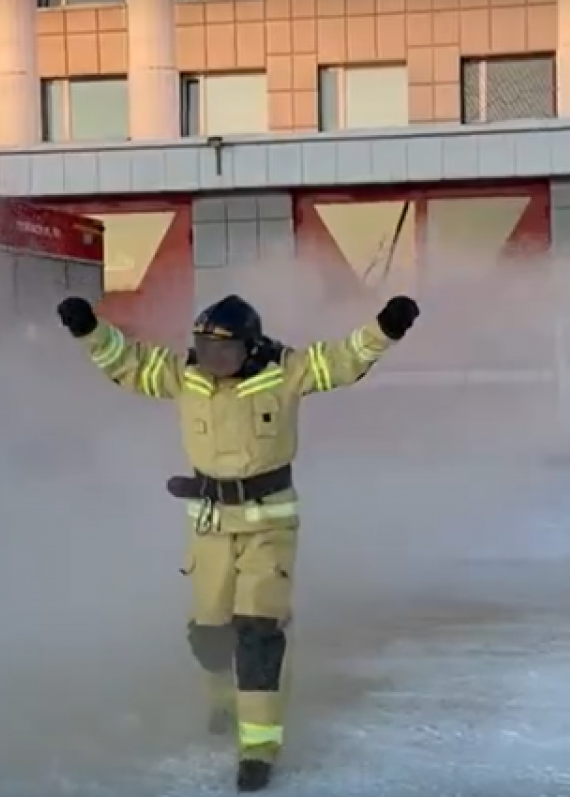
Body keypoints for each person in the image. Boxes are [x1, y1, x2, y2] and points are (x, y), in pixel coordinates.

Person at [56, 292, 420, 791]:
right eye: (205, 351)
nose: (213, 364)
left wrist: (386, 327)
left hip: (270, 524)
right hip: (209, 525)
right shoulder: (185, 376)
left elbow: (342, 359)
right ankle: (222, 698)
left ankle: (258, 747)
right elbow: (130, 363)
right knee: (209, 632)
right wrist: (89, 330)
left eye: (224, 354)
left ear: (250, 348)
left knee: (257, 632)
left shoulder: (285, 371)